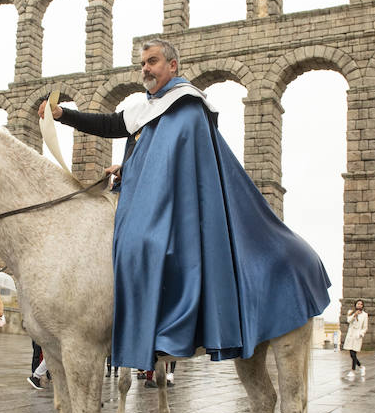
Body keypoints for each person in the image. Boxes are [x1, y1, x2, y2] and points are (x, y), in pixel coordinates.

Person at [38, 38, 330, 371]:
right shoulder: (147, 106)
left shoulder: (188, 106)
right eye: (143, 63)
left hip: (177, 207)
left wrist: (134, 170)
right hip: (142, 196)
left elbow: (176, 163)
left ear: (172, 66)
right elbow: (113, 125)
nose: (146, 68)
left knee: (141, 243)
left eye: (153, 61)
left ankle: (164, 333)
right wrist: (63, 115)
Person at [342, 299, 368, 374]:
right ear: (355, 305)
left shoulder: (365, 315)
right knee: (351, 354)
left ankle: (352, 370)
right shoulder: (350, 312)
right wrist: (355, 315)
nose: (359, 305)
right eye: (358, 304)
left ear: (362, 306)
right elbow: (348, 320)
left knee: (354, 353)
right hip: (350, 335)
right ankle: (361, 367)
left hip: (357, 335)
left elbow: (365, 327)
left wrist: (361, 334)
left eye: (361, 304)